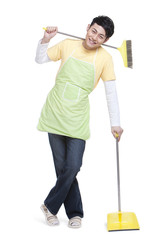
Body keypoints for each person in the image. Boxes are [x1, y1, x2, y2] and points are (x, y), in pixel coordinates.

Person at [35, 15, 123, 228]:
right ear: (87, 28)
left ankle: (49, 205)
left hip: (77, 118)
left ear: (106, 40)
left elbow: (110, 93)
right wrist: (45, 39)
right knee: (62, 167)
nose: (95, 37)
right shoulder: (67, 45)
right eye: (93, 31)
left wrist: (115, 123)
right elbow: (40, 59)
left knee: (73, 166)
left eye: (101, 36)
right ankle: (75, 213)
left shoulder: (105, 59)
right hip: (55, 113)